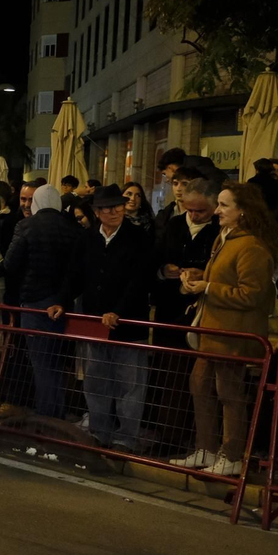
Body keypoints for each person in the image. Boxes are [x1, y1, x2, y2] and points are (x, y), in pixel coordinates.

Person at [172, 183, 278, 474]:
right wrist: (197, 277)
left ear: (243, 211)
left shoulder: (252, 246)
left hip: (232, 335)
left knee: (229, 394)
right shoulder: (227, 238)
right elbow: (222, 280)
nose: (216, 210)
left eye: (223, 205)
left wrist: (208, 286)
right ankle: (206, 448)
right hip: (212, 332)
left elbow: (253, 295)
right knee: (200, 386)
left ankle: (231, 456)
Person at [73, 185, 156, 451]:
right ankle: (100, 431)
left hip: (129, 323)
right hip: (95, 322)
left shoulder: (138, 237)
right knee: (96, 379)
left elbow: (139, 280)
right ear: (97, 212)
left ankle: (126, 437)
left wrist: (118, 311)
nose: (115, 211)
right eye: (108, 208)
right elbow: (76, 275)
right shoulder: (87, 238)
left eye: (119, 206)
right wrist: (60, 301)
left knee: (130, 384)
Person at [2, 184, 83, 418]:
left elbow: (10, 263)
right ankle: (57, 411)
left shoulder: (26, 226)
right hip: (64, 303)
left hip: (35, 302)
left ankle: (47, 415)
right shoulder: (73, 228)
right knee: (56, 361)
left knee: (41, 362)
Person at [152, 177, 220, 334]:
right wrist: (163, 271)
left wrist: (205, 275)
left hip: (204, 307)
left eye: (201, 211)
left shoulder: (220, 229)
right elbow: (156, 257)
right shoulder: (174, 224)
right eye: (189, 210)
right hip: (169, 305)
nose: (194, 216)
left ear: (214, 206)